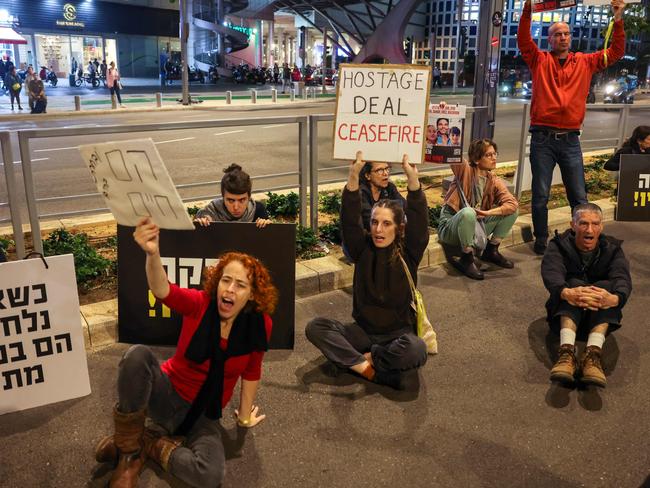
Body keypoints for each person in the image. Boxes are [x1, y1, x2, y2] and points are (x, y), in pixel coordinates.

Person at [94, 217, 278, 486]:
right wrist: (152, 253)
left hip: (203, 416)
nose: (230, 289)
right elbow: (162, 290)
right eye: (226, 280)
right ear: (217, 283)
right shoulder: (200, 304)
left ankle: (149, 443)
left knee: (210, 475)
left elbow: (252, 370)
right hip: (165, 395)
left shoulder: (261, 324)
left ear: (252, 295)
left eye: (240, 285)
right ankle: (129, 454)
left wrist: (245, 414)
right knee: (137, 355)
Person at [305, 152, 429, 390]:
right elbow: (350, 220)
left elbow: (419, 218)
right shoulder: (362, 247)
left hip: (397, 335)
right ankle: (370, 370)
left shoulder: (409, 250)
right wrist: (353, 176)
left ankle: (360, 360)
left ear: (399, 227)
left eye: (386, 223)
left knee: (416, 350)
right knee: (316, 327)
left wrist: (413, 182)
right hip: (363, 332)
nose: (378, 229)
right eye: (374, 222)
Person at [517, 0, 626, 255]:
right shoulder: (538, 60)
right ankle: (541, 238)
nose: (563, 37)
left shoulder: (586, 62)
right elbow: (523, 39)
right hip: (542, 138)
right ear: (550, 39)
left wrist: (618, 20)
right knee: (541, 194)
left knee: (578, 196)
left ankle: (584, 238)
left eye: (566, 33)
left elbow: (616, 51)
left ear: (570, 37)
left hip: (570, 140)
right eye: (557, 34)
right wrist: (527, 10)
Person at [541, 203, 632, 387]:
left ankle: (593, 354)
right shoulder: (558, 245)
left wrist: (615, 298)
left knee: (605, 288)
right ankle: (566, 353)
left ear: (601, 226)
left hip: (600, 317)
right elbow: (552, 273)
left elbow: (622, 277)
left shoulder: (613, 248)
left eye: (595, 223)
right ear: (572, 225)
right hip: (564, 315)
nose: (589, 229)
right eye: (583, 223)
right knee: (572, 285)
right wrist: (567, 292)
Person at [437, 139, 519, 280]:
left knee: (512, 211)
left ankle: (491, 250)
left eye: (495, 154)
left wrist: (487, 213)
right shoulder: (465, 170)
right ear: (476, 159)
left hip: (475, 224)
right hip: (451, 227)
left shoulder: (493, 180)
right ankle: (466, 257)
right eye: (489, 155)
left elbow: (512, 204)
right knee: (468, 213)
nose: (494, 158)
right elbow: (451, 154)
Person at [194, 164, 271, 228]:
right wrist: (199, 227)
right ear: (223, 197)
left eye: (242, 200)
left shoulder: (258, 211)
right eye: (230, 200)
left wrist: (269, 228)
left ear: (249, 197)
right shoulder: (210, 212)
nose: (236, 207)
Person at [356, 160, 406, 232]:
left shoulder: (389, 188)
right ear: (368, 175)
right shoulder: (360, 193)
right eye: (380, 170)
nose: (385, 173)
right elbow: (370, 220)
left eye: (387, 169)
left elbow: (404, 207)